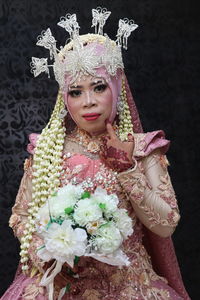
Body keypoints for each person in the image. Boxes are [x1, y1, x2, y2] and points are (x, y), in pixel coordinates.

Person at [1, 7, 190, 300]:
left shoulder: (141, 148)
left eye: (99, 87)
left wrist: (128, 170)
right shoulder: (49, 150)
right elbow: (21, 216)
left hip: (129, 284)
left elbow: (166, 225)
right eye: (76, 92)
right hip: (61, 283)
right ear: (65, 99)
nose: (88, 102)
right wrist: (50, 254)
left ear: (116, 88)